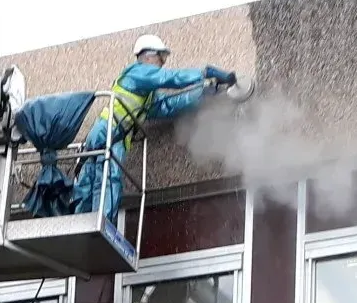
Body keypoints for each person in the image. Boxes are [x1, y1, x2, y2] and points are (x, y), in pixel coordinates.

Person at [71, 33, 238, 225]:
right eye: (161, 57)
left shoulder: (146, 94)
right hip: (109, 131)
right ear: (148, 56)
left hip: (111, 134)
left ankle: (83, 225)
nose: (162, 63)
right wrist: (204, 72)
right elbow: (169, 78)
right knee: (107, 179)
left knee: (93, 180)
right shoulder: (137, 72)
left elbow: (168, 105)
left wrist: (204, 93)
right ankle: (97, 227)